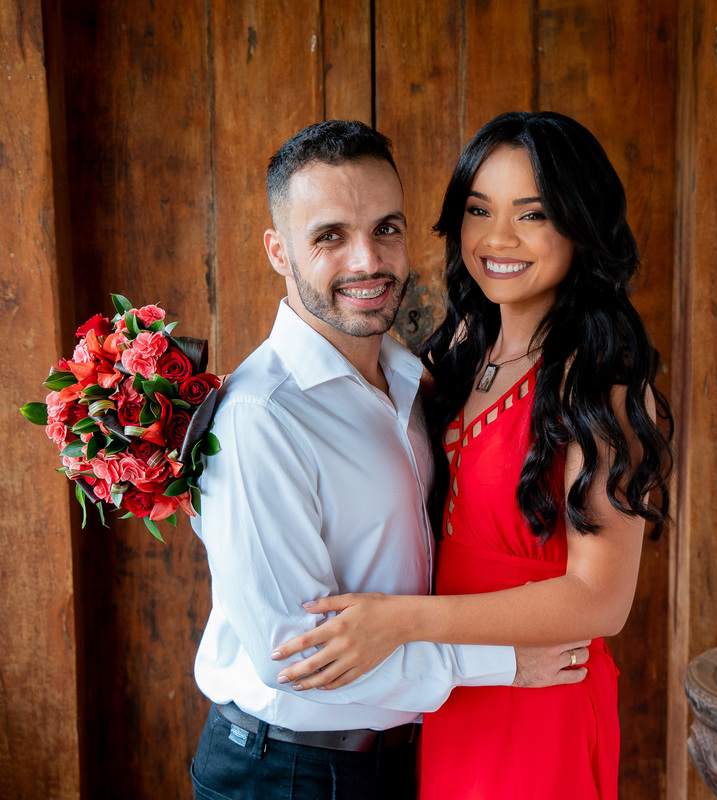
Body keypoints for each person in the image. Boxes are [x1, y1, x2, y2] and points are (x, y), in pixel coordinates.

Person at [271, 111, 674, 799]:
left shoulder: (597, 385)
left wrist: (396, 621)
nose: (498, 238)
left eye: (533, 214)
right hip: (449, 692)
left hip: (537, 694)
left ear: (581, 224)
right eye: (479, 209)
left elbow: (599, 600)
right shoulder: (456, 353)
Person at [189, 119, 588, 800]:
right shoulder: (261, 418)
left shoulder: (411, 376)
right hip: (288, 772)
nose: (367, 261)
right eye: (330, 237)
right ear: (278, 251)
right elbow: (301, 660)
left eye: (387, 229)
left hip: (411, 758)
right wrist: (500, 664)